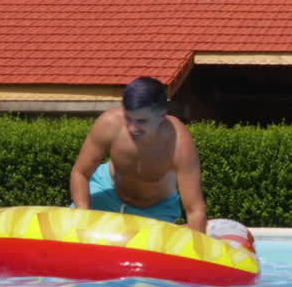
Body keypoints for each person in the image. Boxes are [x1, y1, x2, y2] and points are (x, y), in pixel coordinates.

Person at [70, 77, 207, 233]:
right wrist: (83, 214)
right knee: (71, 234)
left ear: (162, 116)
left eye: (142, 121)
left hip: (154, 209)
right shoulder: (109, 124)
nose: (132, 128)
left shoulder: (179, 143)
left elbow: (195, 209)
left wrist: (197, 251)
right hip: (105, 191)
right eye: (128, 118)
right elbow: (80, 173)